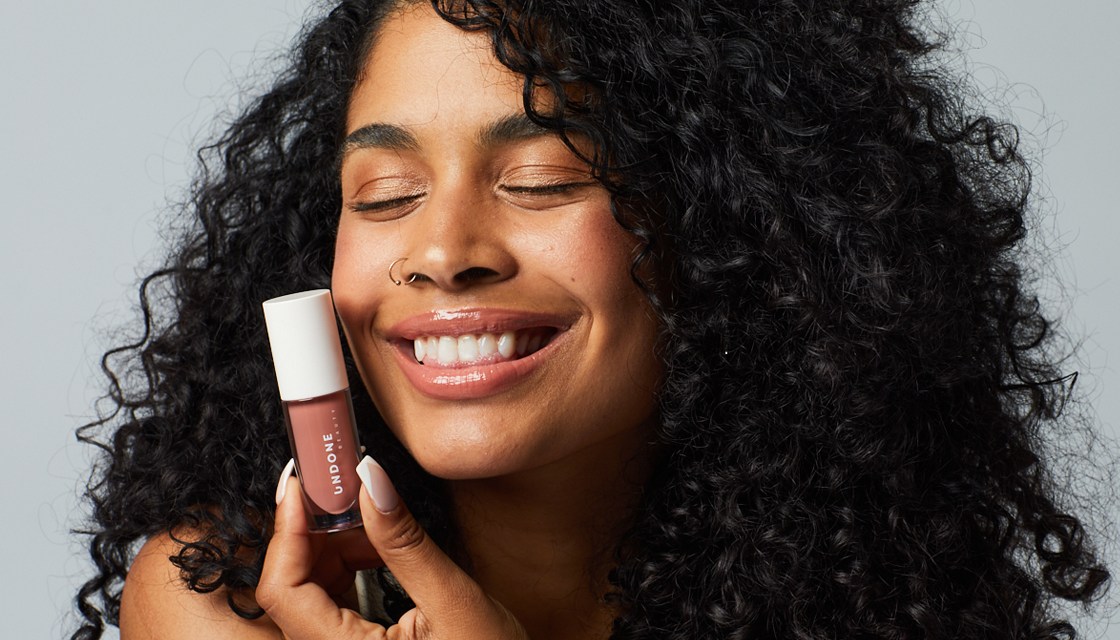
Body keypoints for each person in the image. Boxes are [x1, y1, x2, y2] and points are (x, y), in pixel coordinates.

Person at [71, 1, 1111, 638]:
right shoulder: (226, 607)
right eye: (384, 195)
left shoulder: (885, 606)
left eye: (542, 176)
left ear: (731, 229)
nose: (441, 252)